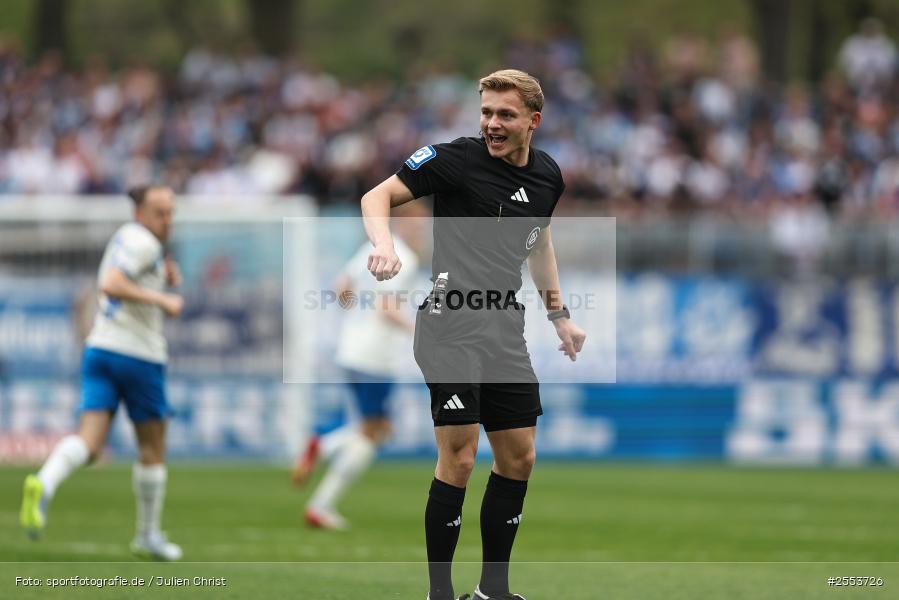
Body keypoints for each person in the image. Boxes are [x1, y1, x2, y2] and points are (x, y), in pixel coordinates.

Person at [361, 69, 586, 600]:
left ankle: (491, 592)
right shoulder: (455, 159)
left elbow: (539, 246)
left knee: (519, 457)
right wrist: (386, 245)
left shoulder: (548, 176)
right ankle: (441, 593)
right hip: (449, 325)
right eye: (486, 112)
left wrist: (560, 317)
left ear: (533, 121)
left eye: (505, 114)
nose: (492, 123)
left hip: (504, 326)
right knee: (459, 459)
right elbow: (376, 197)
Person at [20, 185, 185, 561]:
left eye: (172, 212)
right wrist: (163, 299)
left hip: (100, 350)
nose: (168, 220)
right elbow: (111, 283)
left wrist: (163, 275)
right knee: (153, 447)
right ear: (140, 214)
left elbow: (127, 273)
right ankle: (147, 535)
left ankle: (43, 483)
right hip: (139, 356)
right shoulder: (144, 243)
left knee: (90, 442)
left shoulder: (126, 238)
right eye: (160, 212)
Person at [292, 209, 425, 530]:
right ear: (408, 223)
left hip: (350, 349)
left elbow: (341, 287)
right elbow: (387, 309)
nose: (423, 231)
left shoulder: (372, 248)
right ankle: (320, 503)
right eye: (421, 224)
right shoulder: (404, 258)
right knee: (371, 433)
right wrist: (421, 330)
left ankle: (321, 447)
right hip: (376, 356)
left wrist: (357, 318)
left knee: (377, 427)